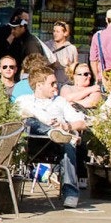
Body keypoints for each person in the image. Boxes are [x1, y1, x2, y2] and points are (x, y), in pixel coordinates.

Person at [16, 64, 87, 208]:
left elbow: (82, 123)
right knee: (29, 120)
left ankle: (71, 194)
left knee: (68, 144)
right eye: (52, 83)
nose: (56, 86)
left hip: (56, 146)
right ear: (39, 85)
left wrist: (67, 127)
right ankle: (51, 131)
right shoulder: (24, 100)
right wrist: (51, 127)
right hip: (32, 145)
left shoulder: (60, 102)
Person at [90, 8, 111, 77]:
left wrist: (97, 77)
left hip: (105, 76)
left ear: (106, 20)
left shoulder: (98, 36)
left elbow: (93, 60)